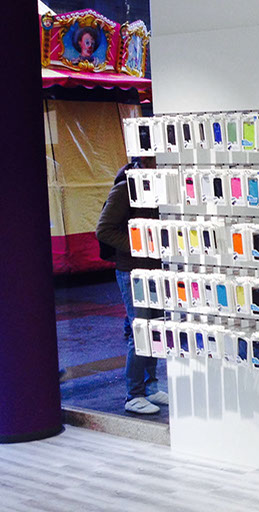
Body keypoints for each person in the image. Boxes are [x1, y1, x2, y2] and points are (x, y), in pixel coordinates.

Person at [96, 158, 167, 414]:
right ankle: (134, 394)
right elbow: (104, 230)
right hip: (133, 271)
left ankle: (150, 386)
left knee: (154, 329)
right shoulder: (125, 188)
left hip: (153, 269)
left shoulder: (156, 184)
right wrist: (140, 245)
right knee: (140, 332)